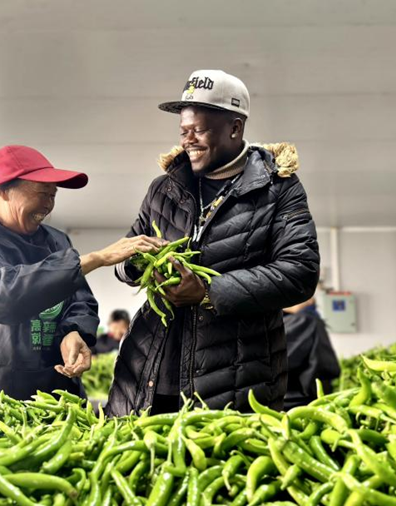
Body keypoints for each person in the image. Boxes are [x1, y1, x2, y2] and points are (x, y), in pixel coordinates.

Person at [107, 70, 320, 415]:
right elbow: (127, 253)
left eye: (199, 130)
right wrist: (134, 265)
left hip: (234, 381)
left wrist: (208, 291)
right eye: (183, 130)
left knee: (218, 465)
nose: (187, 139)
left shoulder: (277, 188)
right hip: (149, 372)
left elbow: (300, 272)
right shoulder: (164, 189)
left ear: (235, 128)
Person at [0, 145, 164, 400]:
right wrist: (95, 259)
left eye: (53, 195)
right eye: (42, 193)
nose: (48, 205)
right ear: (2, 191)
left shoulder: (57, 241)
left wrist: (73, 331)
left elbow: (80, 302)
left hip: (56, 394)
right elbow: (2, 298)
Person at [282, 296, 341, 409]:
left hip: (295, 401)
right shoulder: (308, 320)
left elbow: (279, 361)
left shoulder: (304, 320)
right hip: (308, 399)